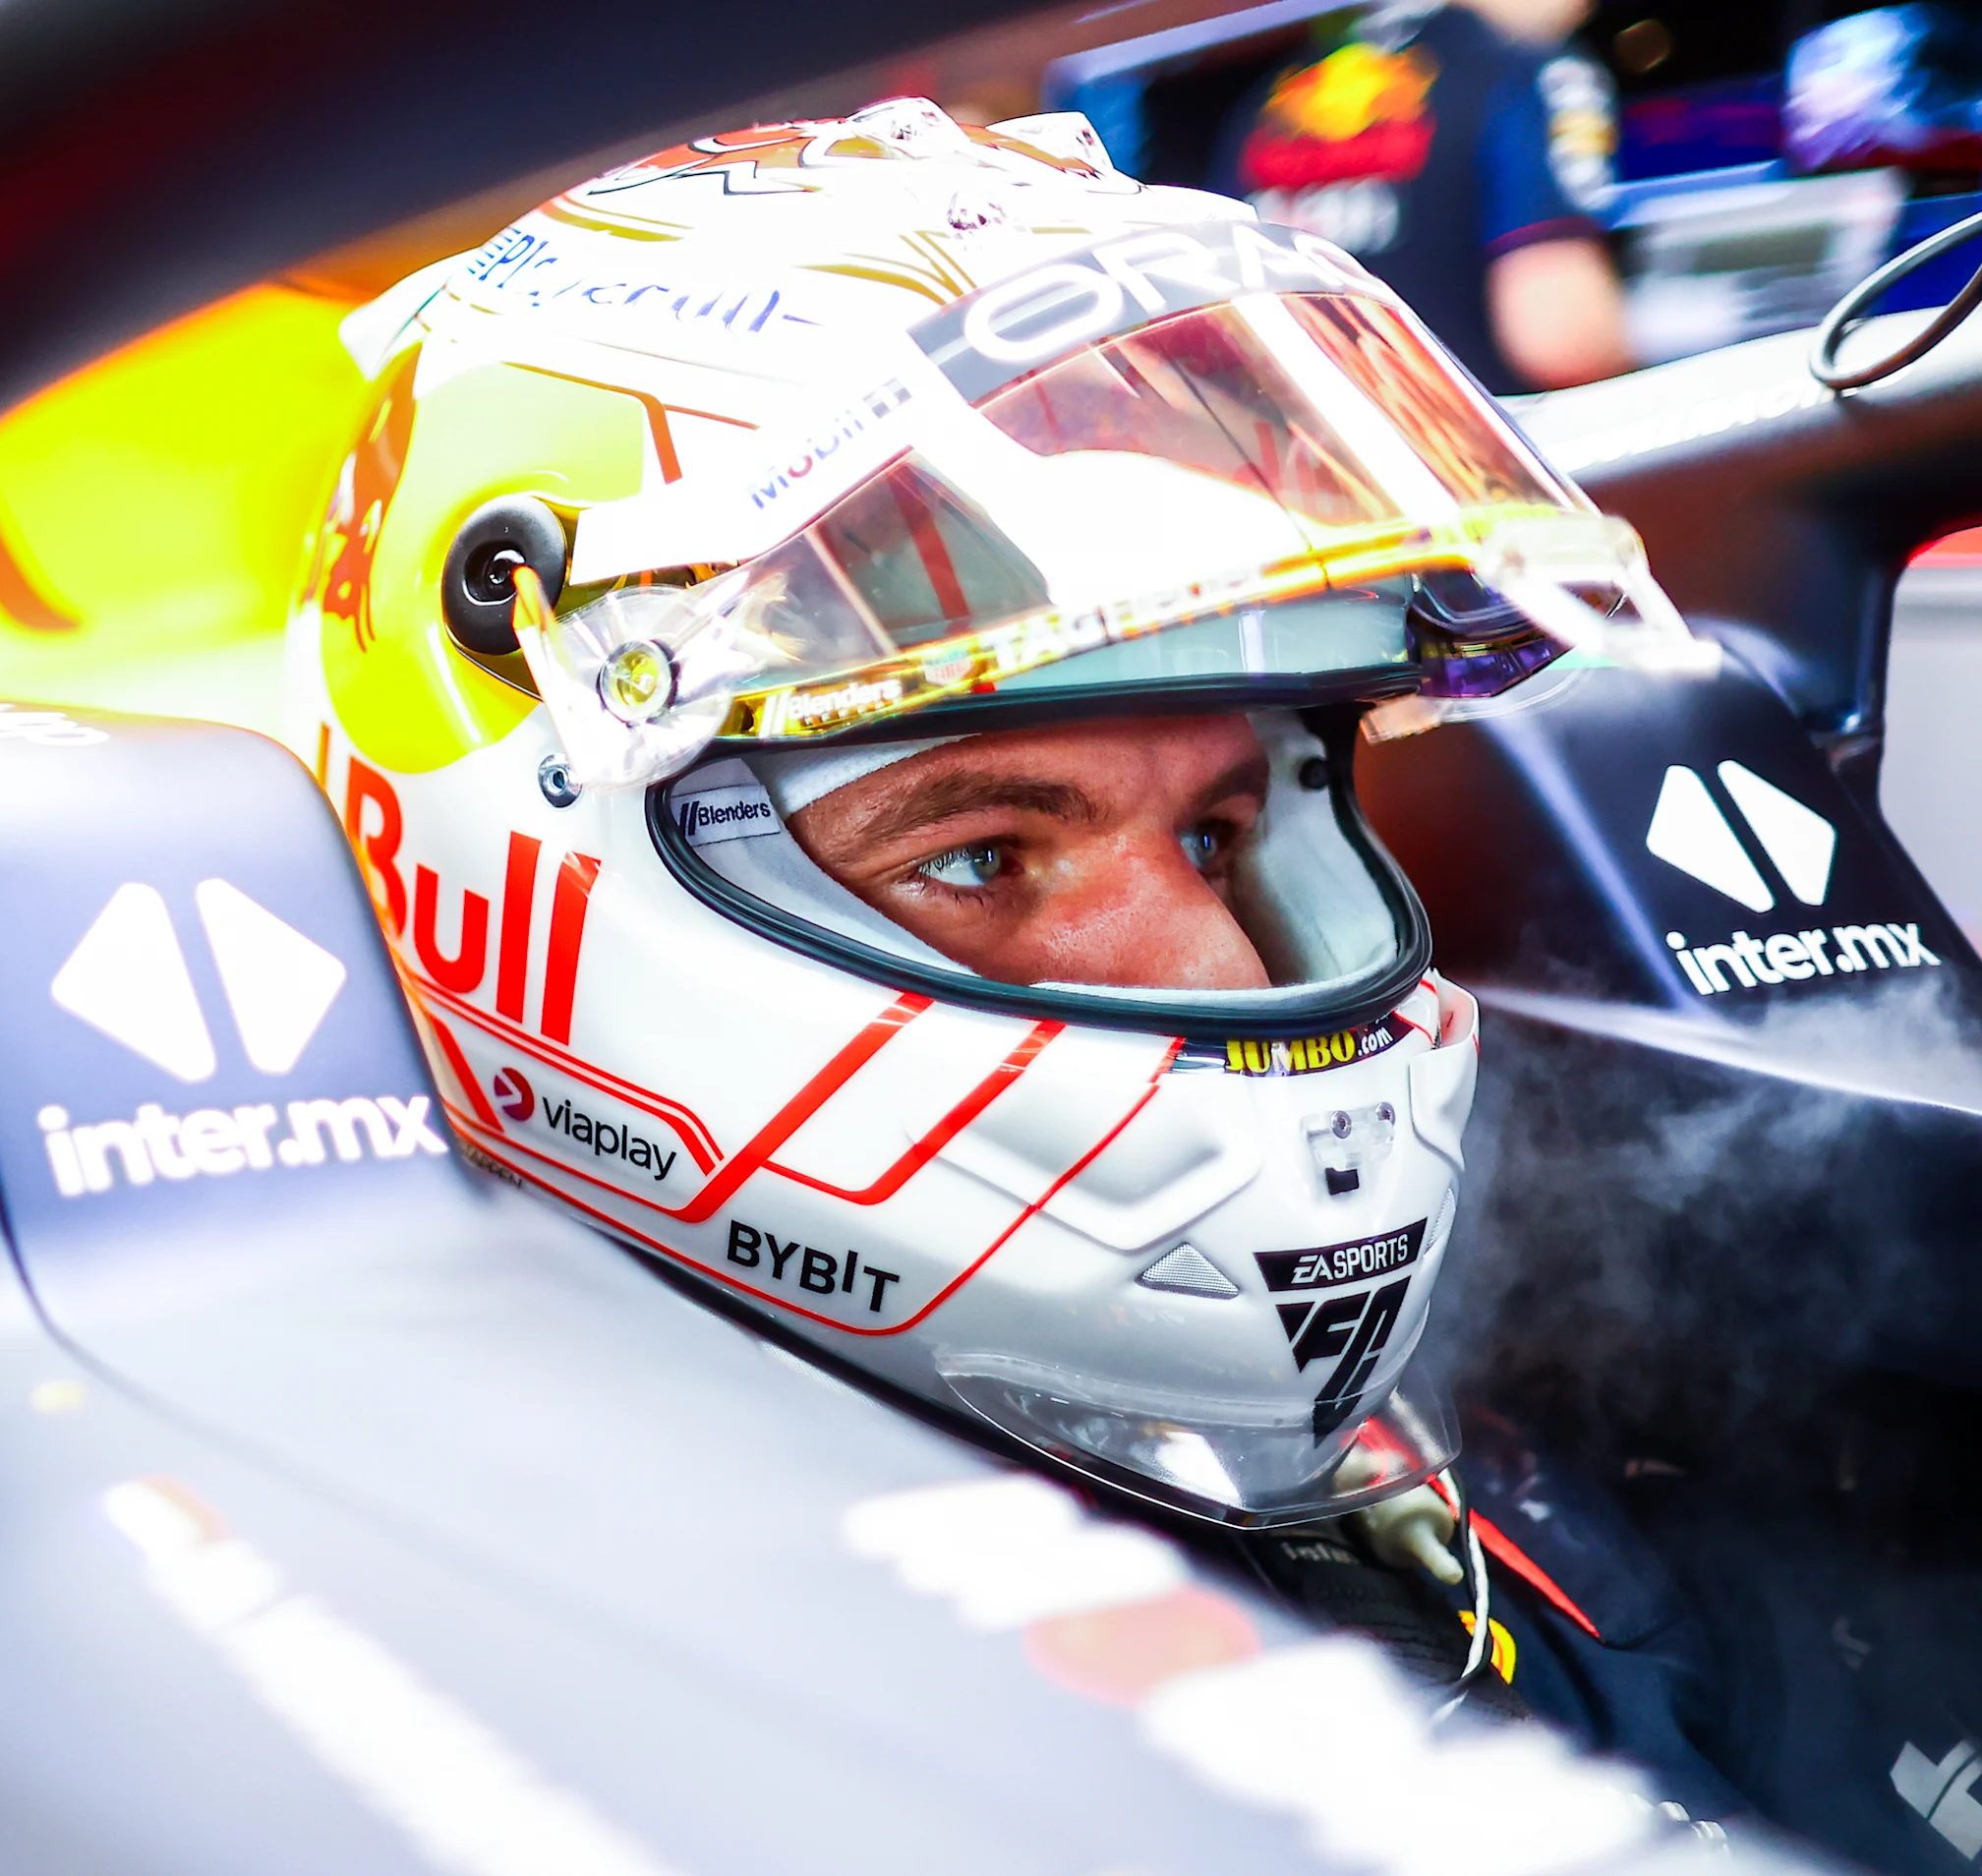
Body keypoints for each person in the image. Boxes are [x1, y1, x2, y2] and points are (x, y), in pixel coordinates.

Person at [287, 95, 1866, 1851]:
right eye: (980, 855)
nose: (1220, 951)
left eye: (1221, 832)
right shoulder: (470, 1696)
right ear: (546, 875)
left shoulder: (1503, 1482)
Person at [1213, 0, 1631, 392]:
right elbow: (1563, 341)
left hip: (1319, 445)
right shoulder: (1535, 71)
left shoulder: (1276, 93)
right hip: (1477, 443)